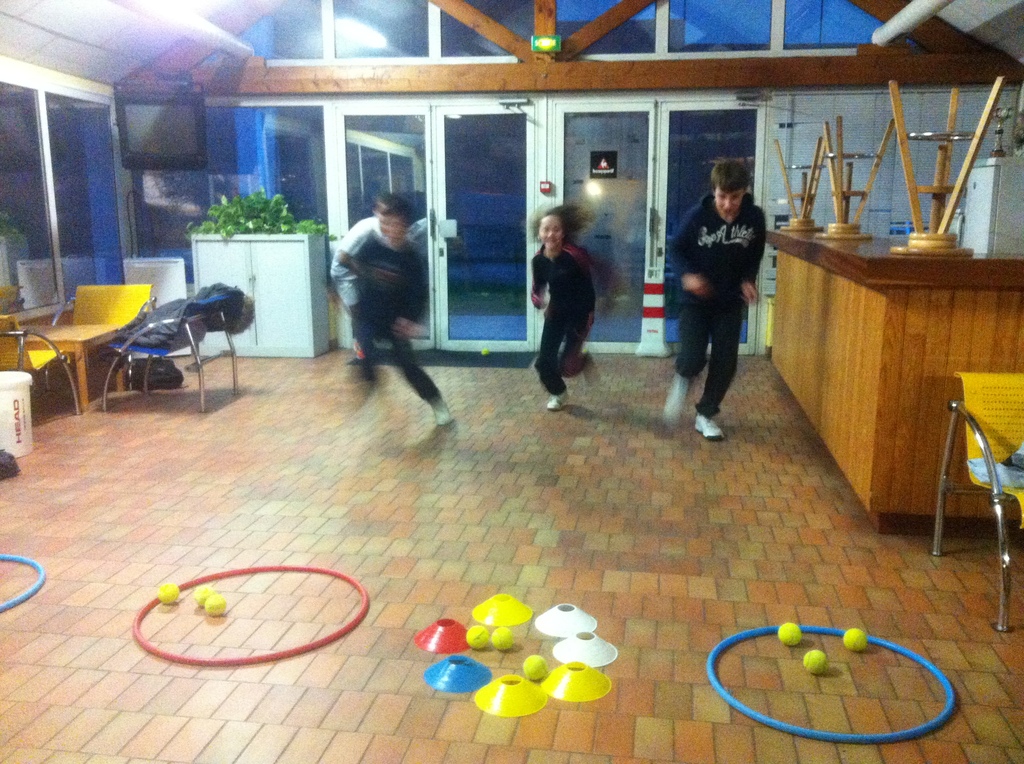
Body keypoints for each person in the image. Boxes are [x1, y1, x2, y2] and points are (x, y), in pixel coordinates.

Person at [663, 159, 765, 440]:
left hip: (729, 302)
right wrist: (687, 275)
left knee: (726, 363)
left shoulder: (755, 218)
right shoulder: (698, 216)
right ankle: (683, 379)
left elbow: (754, 254)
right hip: (695, 302)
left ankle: (705, 415)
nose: (728, 204)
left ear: (745, 192)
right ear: (714, 191)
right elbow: (676, 248)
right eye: (722, 196)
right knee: (692, 357)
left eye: (735, 197)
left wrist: (748, 279)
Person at [330, 193, 453, 426]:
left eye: (394, 224)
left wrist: (411, 321)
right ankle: (371, 381)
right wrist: (340, 284)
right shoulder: (371, 245)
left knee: (408, 368)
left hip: (396, 322)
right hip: (369, 316)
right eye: (384, 223)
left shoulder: (411, 258)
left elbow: (418, 295)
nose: (388, 229)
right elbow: (350, 262)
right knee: (364, 353)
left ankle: (436, 402)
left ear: (405, 225)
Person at [530, 203, 597, 411]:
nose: (551, 234)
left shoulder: (575, 255)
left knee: (567, 367)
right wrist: (538, 301)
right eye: (546, 229)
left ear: (563, 232)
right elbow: (537, 288)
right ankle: (558, 393)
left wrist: (589, 313)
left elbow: (589, 285)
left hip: (579, 315)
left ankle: (580, 360)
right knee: (543, 363)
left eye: (556, 229)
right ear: (539, 232)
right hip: (556, 314)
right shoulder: (538, 260)